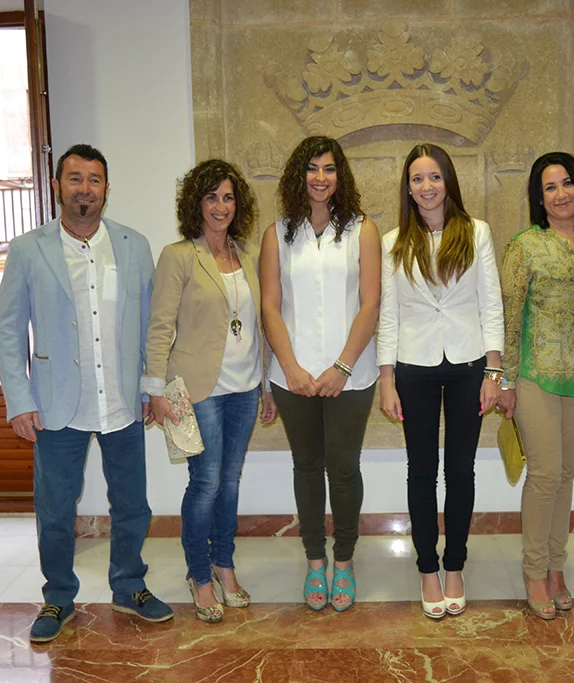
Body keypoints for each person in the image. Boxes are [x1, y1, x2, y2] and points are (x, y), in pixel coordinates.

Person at [0, 144, 173, 643]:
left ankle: (129, 585)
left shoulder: (133, 245)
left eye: (94, 180)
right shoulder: (29, 249)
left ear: (106, 190)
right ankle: (57, 596)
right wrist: (19, 399)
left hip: (121, 399)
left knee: (132, 504)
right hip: (54, 404)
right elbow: (9, 330)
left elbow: (151, 324)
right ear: (57, 187)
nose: (84, 189)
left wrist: (149, 385)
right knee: (54, 508)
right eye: (74, 179)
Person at [143, 159, 277, 624]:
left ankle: (224, 562)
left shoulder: (250, 253)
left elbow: (260, 325)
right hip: (195, 390)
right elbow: (159, 326)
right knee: (205, 483)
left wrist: (267, 386)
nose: (221, 206)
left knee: (231, 481)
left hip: (243, 388)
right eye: (211, 197)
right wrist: (153, 389)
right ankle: (200, 575)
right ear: (194, 204)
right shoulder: (178, 255)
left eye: (228, 197)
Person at [377, 143, 503, 620]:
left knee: (461, 471)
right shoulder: (393, 242)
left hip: (469, 363)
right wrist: (386, 379)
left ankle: (455, 565)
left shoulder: (476, 233)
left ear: (448, 181)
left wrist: (494, 371)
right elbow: (388, 316)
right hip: (414, 366)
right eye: (416, 179)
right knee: (421, 471)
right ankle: (427, 568)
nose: (425, 187)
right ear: (407, 187)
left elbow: (491, 304)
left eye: (433, 177)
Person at [259, 135, 380, 612]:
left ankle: (344, 561)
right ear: (299, 175)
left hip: (352, 374)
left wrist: (342, 367)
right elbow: (270, 306)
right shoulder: (277, 233)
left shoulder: (362, 230)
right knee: (307, 467)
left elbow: (371, 303)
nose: (320, 177)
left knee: (344, 468)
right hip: (293, 377)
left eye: (329, 169)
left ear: (340, 176)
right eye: (312, 168)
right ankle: (315, 561)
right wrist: (290, 368)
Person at [497, 152, 574, 621]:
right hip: (536, 375)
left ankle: (558, 567)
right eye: (550, 187)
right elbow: (509, 314)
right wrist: (504, 379)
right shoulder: (525, 246)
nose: (561, 193)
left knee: (566, 474)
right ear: (538, 198)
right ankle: (534, 572)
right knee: (545, 475)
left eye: (568, 183)